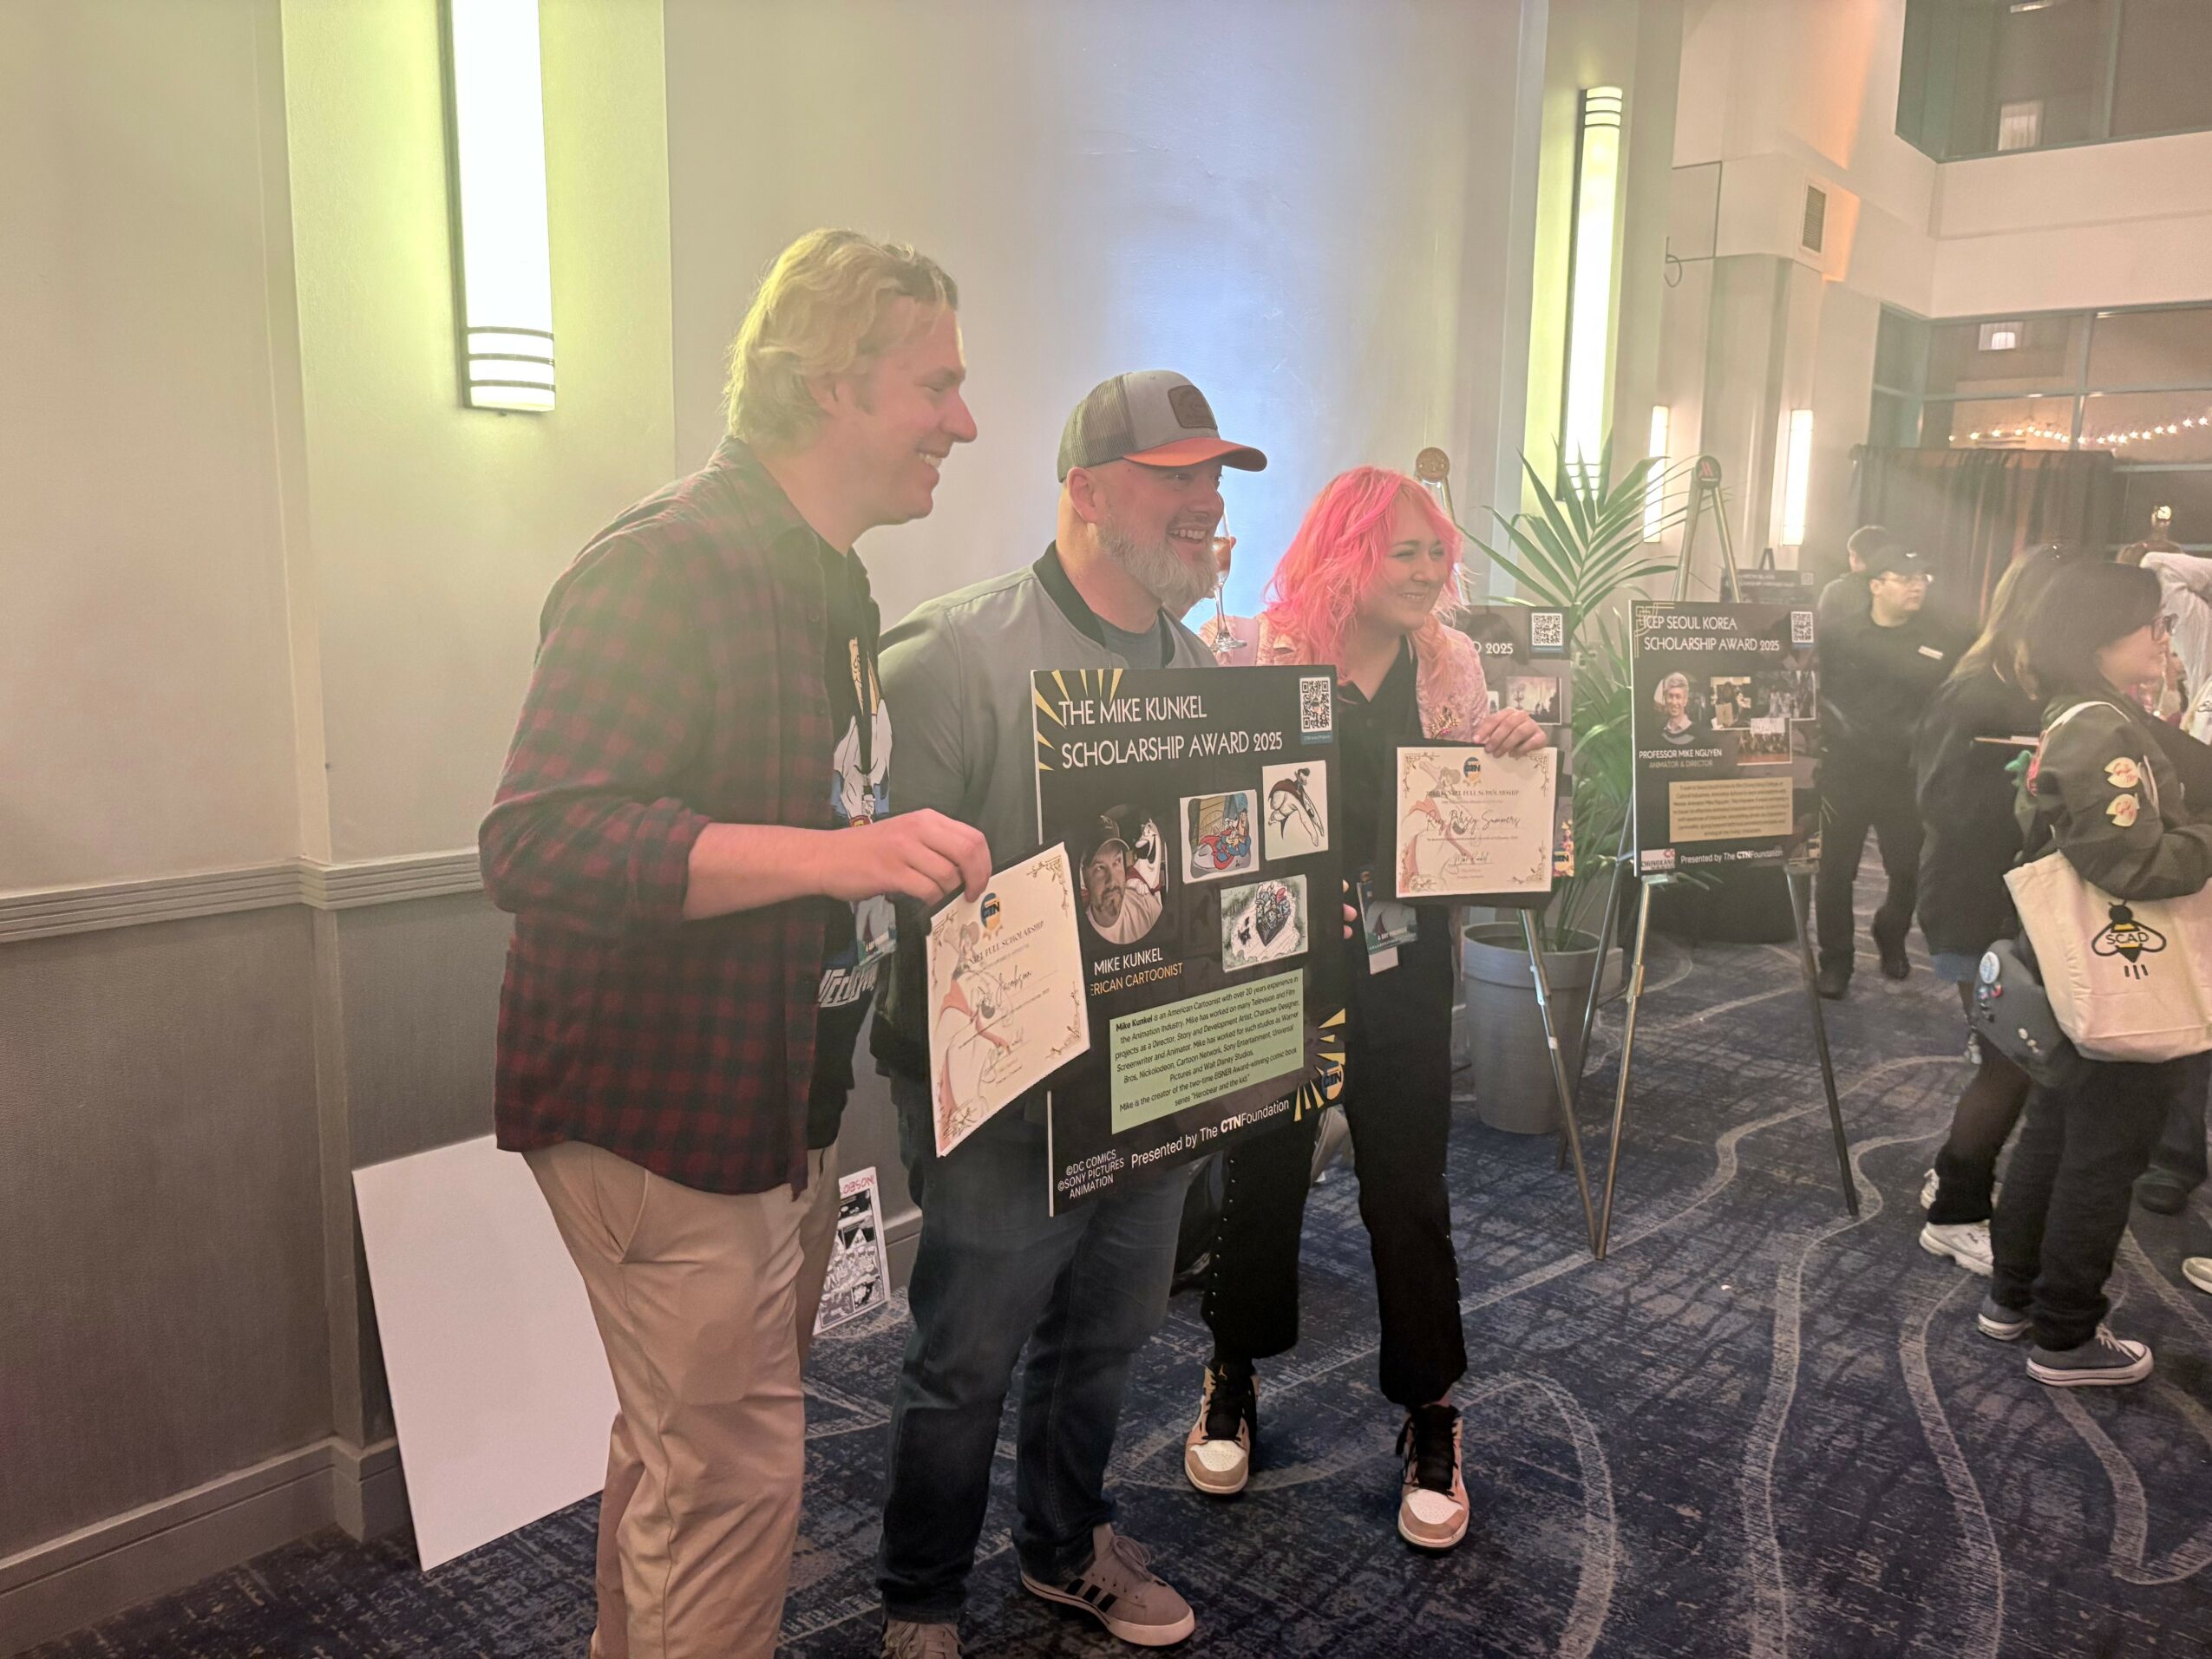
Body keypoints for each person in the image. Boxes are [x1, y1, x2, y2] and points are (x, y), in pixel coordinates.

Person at [479, 228, 988, 1659]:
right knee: (731, 1482)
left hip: (764, 1107)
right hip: (660, 1120)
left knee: (683, 1465)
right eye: (936, 384)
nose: (965, 420)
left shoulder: (830, 584)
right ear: (833, 383)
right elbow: (536, 839)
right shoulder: (669, 566)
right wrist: (842, 856)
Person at [868, 369, 1265, 1655]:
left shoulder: (1200, 668)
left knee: (1108, 1336)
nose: (1207, 506)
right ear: (1087, 493)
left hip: (1150, 1076)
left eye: (1217, 482)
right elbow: (890, 909)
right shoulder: (951, 661)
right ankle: (920, 1596)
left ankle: (1060, 1546)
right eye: (1178, 481)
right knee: (965, 1358)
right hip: (998, 1094)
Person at [1181, 467, 1548, 1551]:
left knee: (1407, 1181)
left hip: (1403, 960)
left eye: (1436, 551)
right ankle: (1231, 1372)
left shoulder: (1450, 661)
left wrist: (1510, 747)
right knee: (1264, 1170)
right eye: (1405, 551)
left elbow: (1471, 793)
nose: (1429, 571)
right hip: (1280, 957)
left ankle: (1431, 1410)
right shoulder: (1263, 648)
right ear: (1348, 552)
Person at [1980, 558, 2212, 1386]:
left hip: (2086, 965)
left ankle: (2017, 1298)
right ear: (2101, 638)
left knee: (2057, 1130)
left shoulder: (2098, 716)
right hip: (2119, 970)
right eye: (2150, 624)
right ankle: (2067, 1333)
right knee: (2101, 1150)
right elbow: (2132, 863)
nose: (2163, 636)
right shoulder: (2096, 727)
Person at [1911, 545, 2071, 1275]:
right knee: (2011, 1060)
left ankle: (1955, 1176)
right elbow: (1939, 801)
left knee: (2006, 1056)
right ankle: (1956, 1209)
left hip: (2022, 906)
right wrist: (2034, 792)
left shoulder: (2044, 684)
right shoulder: (1975, 689)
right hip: (1975, 905)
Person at [1814, 539, 1967, 999]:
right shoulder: (1840, 634)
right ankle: (1836, 961)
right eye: (1906, 579)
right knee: (1835, 872)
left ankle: (1890, 930)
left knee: (1908, 871)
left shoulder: (1943, 639)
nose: (1917, 586)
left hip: (1907, 775)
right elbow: (1813, 689)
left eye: (1922, 578)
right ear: (1876, 585)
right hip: (1846, 771)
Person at [1082, 821, 1162, 944]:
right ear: (1084, 876)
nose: (1112, 880)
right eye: (1100, 868)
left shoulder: (1147, 907)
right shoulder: (1078, 936)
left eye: (1117, 861)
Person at [1652, 670, 1709, 746]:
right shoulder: (1660, 730)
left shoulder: (1697, 732)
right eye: (1670, 696)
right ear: (1665, 699)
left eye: (1678, 697)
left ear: (1685, 700)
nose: (1674, 702)